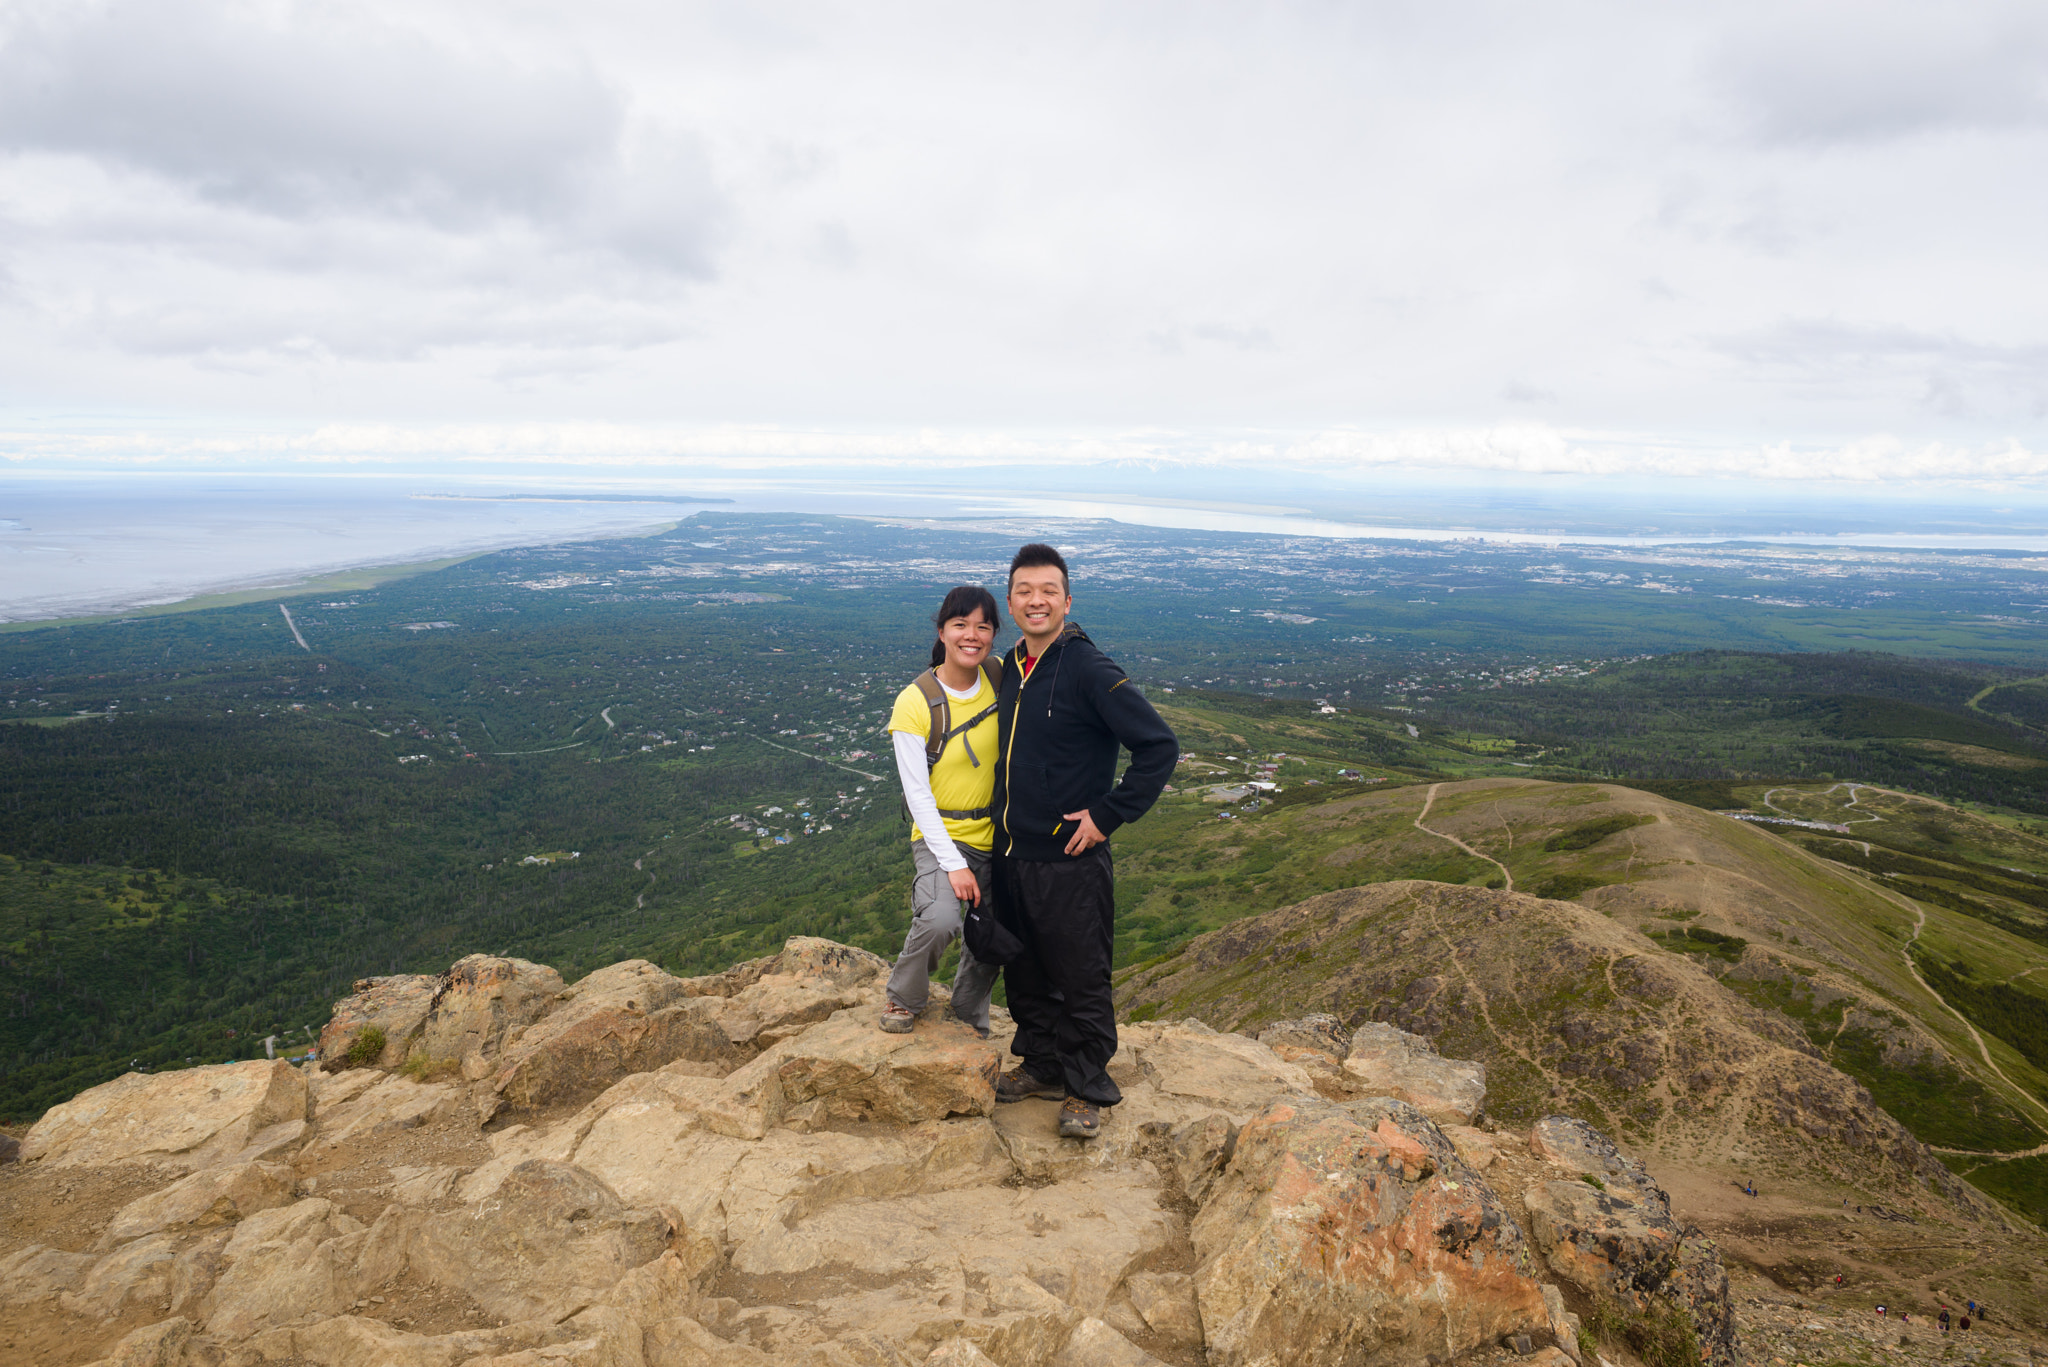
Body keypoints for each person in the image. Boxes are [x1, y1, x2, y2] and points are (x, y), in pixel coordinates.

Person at [989, 543, 1178, 1140]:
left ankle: (1085, 1086)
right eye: (1025, 591)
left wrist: (1108, 814)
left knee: (1079, 976)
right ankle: (1043, 1064)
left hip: (1070, 861)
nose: (1036, 600)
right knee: (1023, 973)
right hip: (1013, 855)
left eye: (1048, 591)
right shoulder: (1011, 667)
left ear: (1067, 601)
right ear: (1011, 600)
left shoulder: (1088, 667)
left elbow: (1158, 746)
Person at [880, 585, 1005, 1036]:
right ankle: (904, 997)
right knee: (940, 919)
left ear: (993, 635)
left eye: (983, 626)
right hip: (942, 836)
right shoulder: (915, 702)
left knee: (993, 937)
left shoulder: (997, 676)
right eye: (961, 625)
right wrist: (954, 865)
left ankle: (968, 1018)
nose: (971, 635)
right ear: (942, 631)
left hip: (1000, 834)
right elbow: (918, 797)